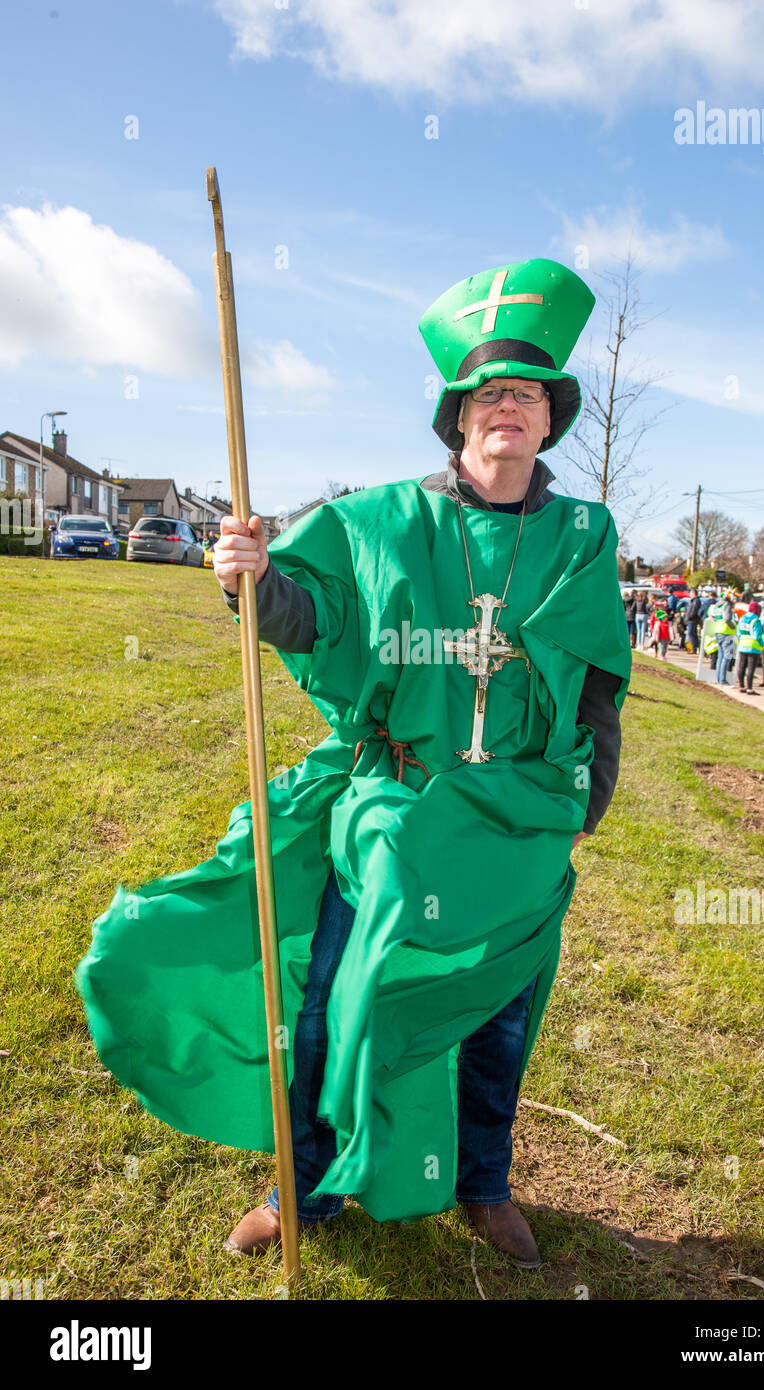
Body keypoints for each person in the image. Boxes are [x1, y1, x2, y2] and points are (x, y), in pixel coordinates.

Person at [75, 257, 631, 1270]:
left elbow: (596, 679)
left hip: (517, 819)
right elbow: (314, 610)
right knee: (337, 997)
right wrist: (251, 581)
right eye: (485, 395)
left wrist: (584, 802)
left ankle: (481, 1183)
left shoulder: (582, 535)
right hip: (395, 805)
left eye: (525, 395)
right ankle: (304, 1188)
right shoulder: (382, 522)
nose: (504, 408)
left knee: (500, 1021)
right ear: (456, 420)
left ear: (549, 420)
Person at [736, 600, 763, 693]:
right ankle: (749, 688)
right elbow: (758, 635)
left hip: (742, 645)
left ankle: (741, 685)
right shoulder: (756, 620)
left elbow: (738, 632)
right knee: (751, 668)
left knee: (741, 666)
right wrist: (762, 644)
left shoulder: (742, 617)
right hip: (753, 647)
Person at [685, 588, 701, 653]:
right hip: (691, 619)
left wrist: (689, 617)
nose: (690, 594)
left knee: (691, 633)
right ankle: (694, 648)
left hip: (693, 620)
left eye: (691, 593)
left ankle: (694, 648)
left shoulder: (696, 601)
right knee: (692, 634)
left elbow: (694, 610)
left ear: (694, 593)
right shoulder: (693, 601)